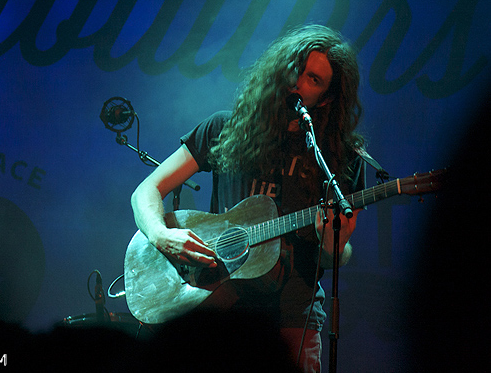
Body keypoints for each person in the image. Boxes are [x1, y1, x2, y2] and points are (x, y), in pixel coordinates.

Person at [131, 24, 366, 372]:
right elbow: (147, 190)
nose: (297, 81)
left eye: (314, 80)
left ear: (327, 98)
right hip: (216, 312)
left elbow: (337, 254)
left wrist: (335, 245)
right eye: (296, 67)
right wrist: (160, 234)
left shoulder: (339, 158)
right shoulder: (224, 128)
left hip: (291, 319)